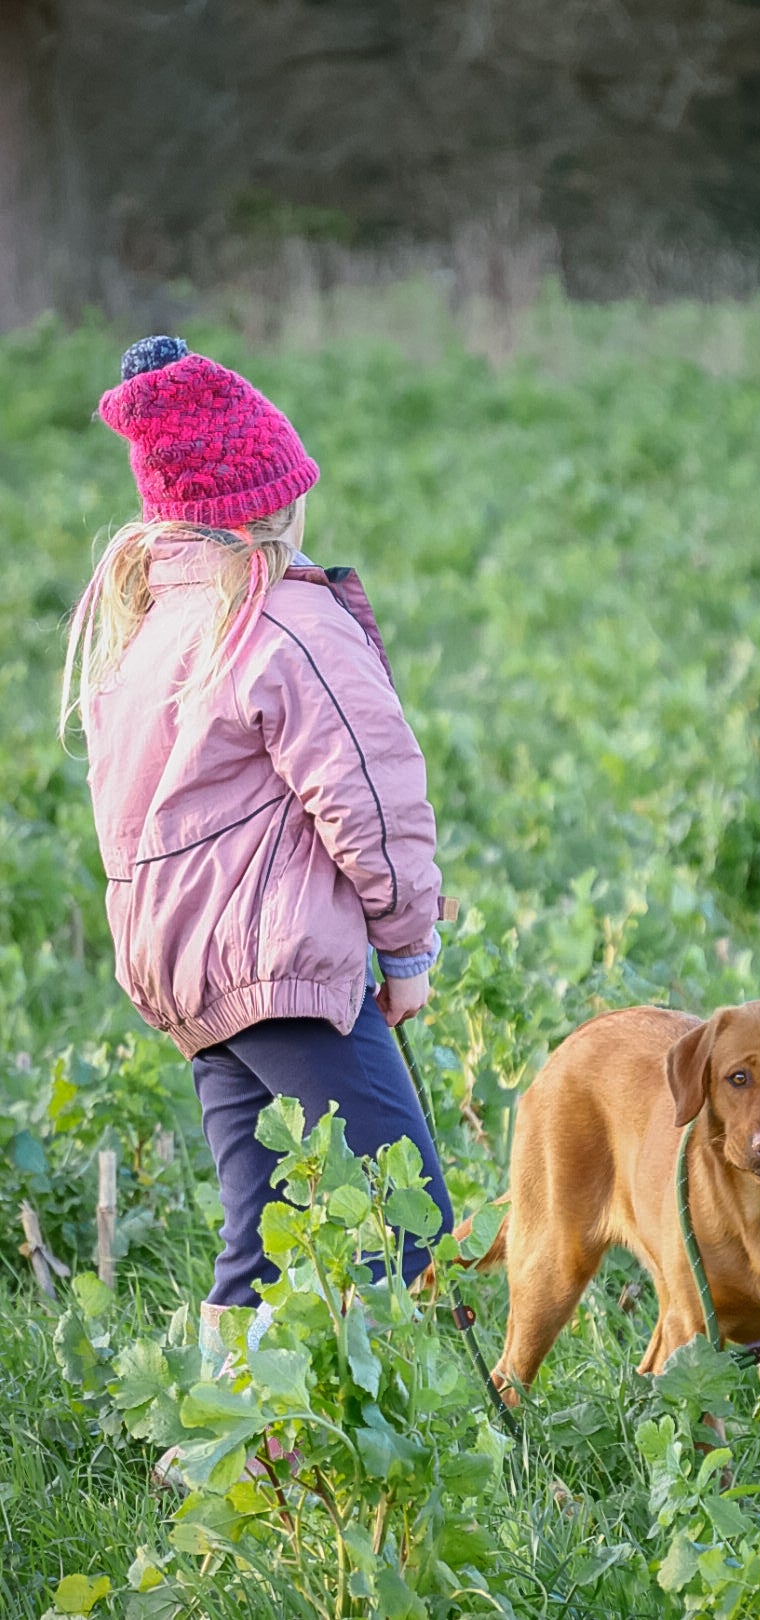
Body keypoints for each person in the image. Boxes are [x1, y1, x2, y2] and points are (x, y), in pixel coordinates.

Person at [61, 335, 454, 1347]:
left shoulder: (157, 623)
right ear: (274, 499)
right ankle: (351, 1440)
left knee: (268, 1235)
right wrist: (406, 947)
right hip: (278, 966)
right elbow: (372, 796)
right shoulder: (285, 620)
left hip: (192, 973)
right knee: (404, 1219)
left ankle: (224, 1454)